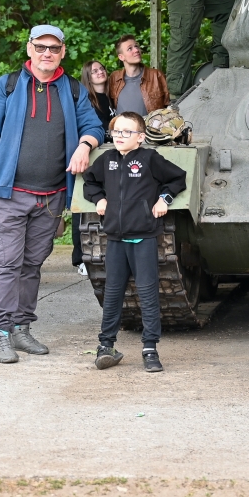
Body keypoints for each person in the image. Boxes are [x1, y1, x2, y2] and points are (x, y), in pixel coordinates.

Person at [0, 25, 104, 365]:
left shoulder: (72, 89)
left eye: (54, 48)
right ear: (30, 49)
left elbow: (94, 127)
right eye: (41, 46)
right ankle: (1, 332)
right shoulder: (8, 86)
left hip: (51, 197)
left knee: (32, 266)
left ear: (63, 52)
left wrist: (84, 146)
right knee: (7, 264)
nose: (47, 53)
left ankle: (21, 328)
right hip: (10, 193)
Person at [82, 111, 187, 373]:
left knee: (147, 293)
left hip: (143, 237)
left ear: (140, 137)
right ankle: (106, 345)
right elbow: (90, 181)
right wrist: (99, 199)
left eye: (126, 132)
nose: (119, 136)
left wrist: (164, 199)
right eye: (116, 131)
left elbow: (177, 178)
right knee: (113, 293)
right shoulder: (107, 160)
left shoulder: (149, 158)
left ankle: (150, 348)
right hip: (116, 239)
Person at [71, 60, 115, 275]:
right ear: (87, 77)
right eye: (94, 71)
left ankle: (104, 253)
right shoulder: (86, 101)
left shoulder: (113, 98)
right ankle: (80, 258)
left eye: (101, 69)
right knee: (83, 207)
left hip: (113, 156)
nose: (99, 72)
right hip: (91, 156)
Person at [107, 35, 169, 116]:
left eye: (136, 46)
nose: (136, 50)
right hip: (122, 124)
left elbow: (169, 106)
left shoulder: (156, 75)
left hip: (151, 124)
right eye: (130, 49)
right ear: (121, 57)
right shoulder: (114, 78)